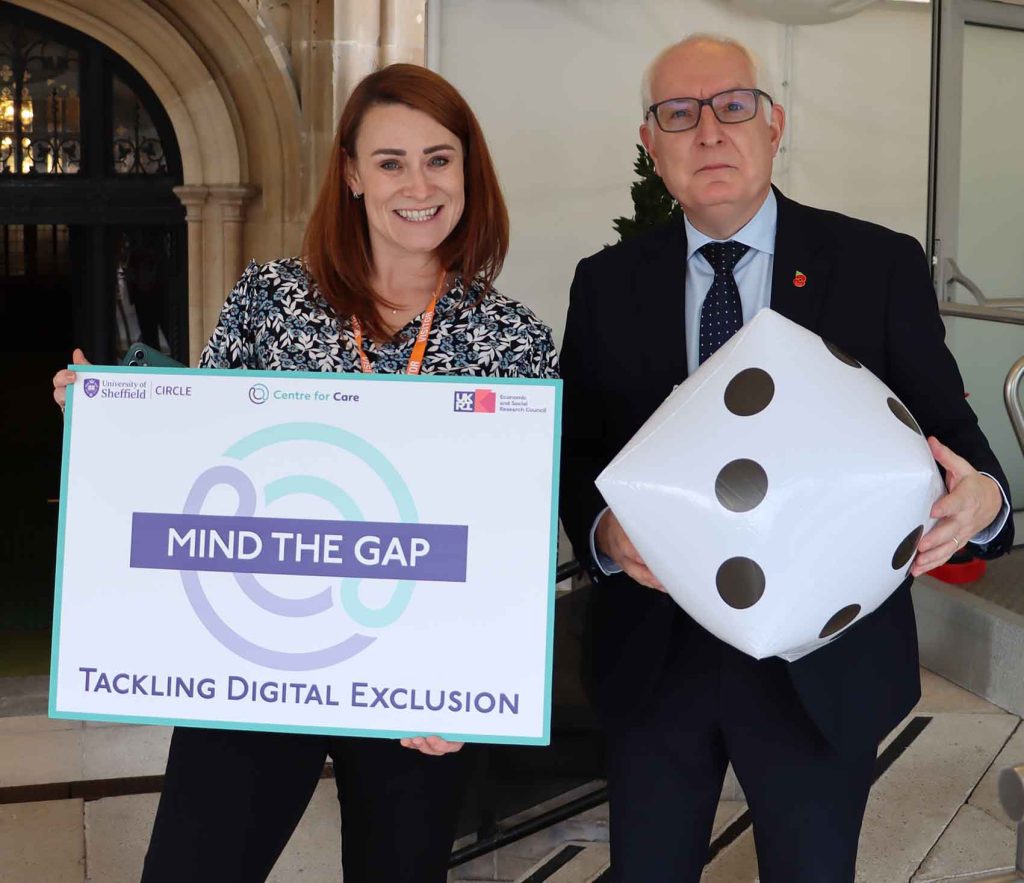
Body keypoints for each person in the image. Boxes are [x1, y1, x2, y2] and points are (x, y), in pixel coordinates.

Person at [52, 63, 558, 883]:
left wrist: (478, 685)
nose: (417, 183)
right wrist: (110, 423)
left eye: (439, 158)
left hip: (419, 685)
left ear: (469, 172)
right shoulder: (272, 298)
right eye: (390, 161)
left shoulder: (516, 340)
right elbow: (197, 464)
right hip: (256, 663)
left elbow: (516, 538)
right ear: (352, 175)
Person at [559, 34, 1013, 883]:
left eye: (732, 106)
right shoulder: (605, 283)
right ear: (650, 147)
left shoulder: (876, 266)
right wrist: (602, 531)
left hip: (823, 670)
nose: (709, 132)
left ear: (775, 125)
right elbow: (576, 455)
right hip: (657, 660)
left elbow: (958, 442)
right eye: (678, 115)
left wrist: (984, 499)